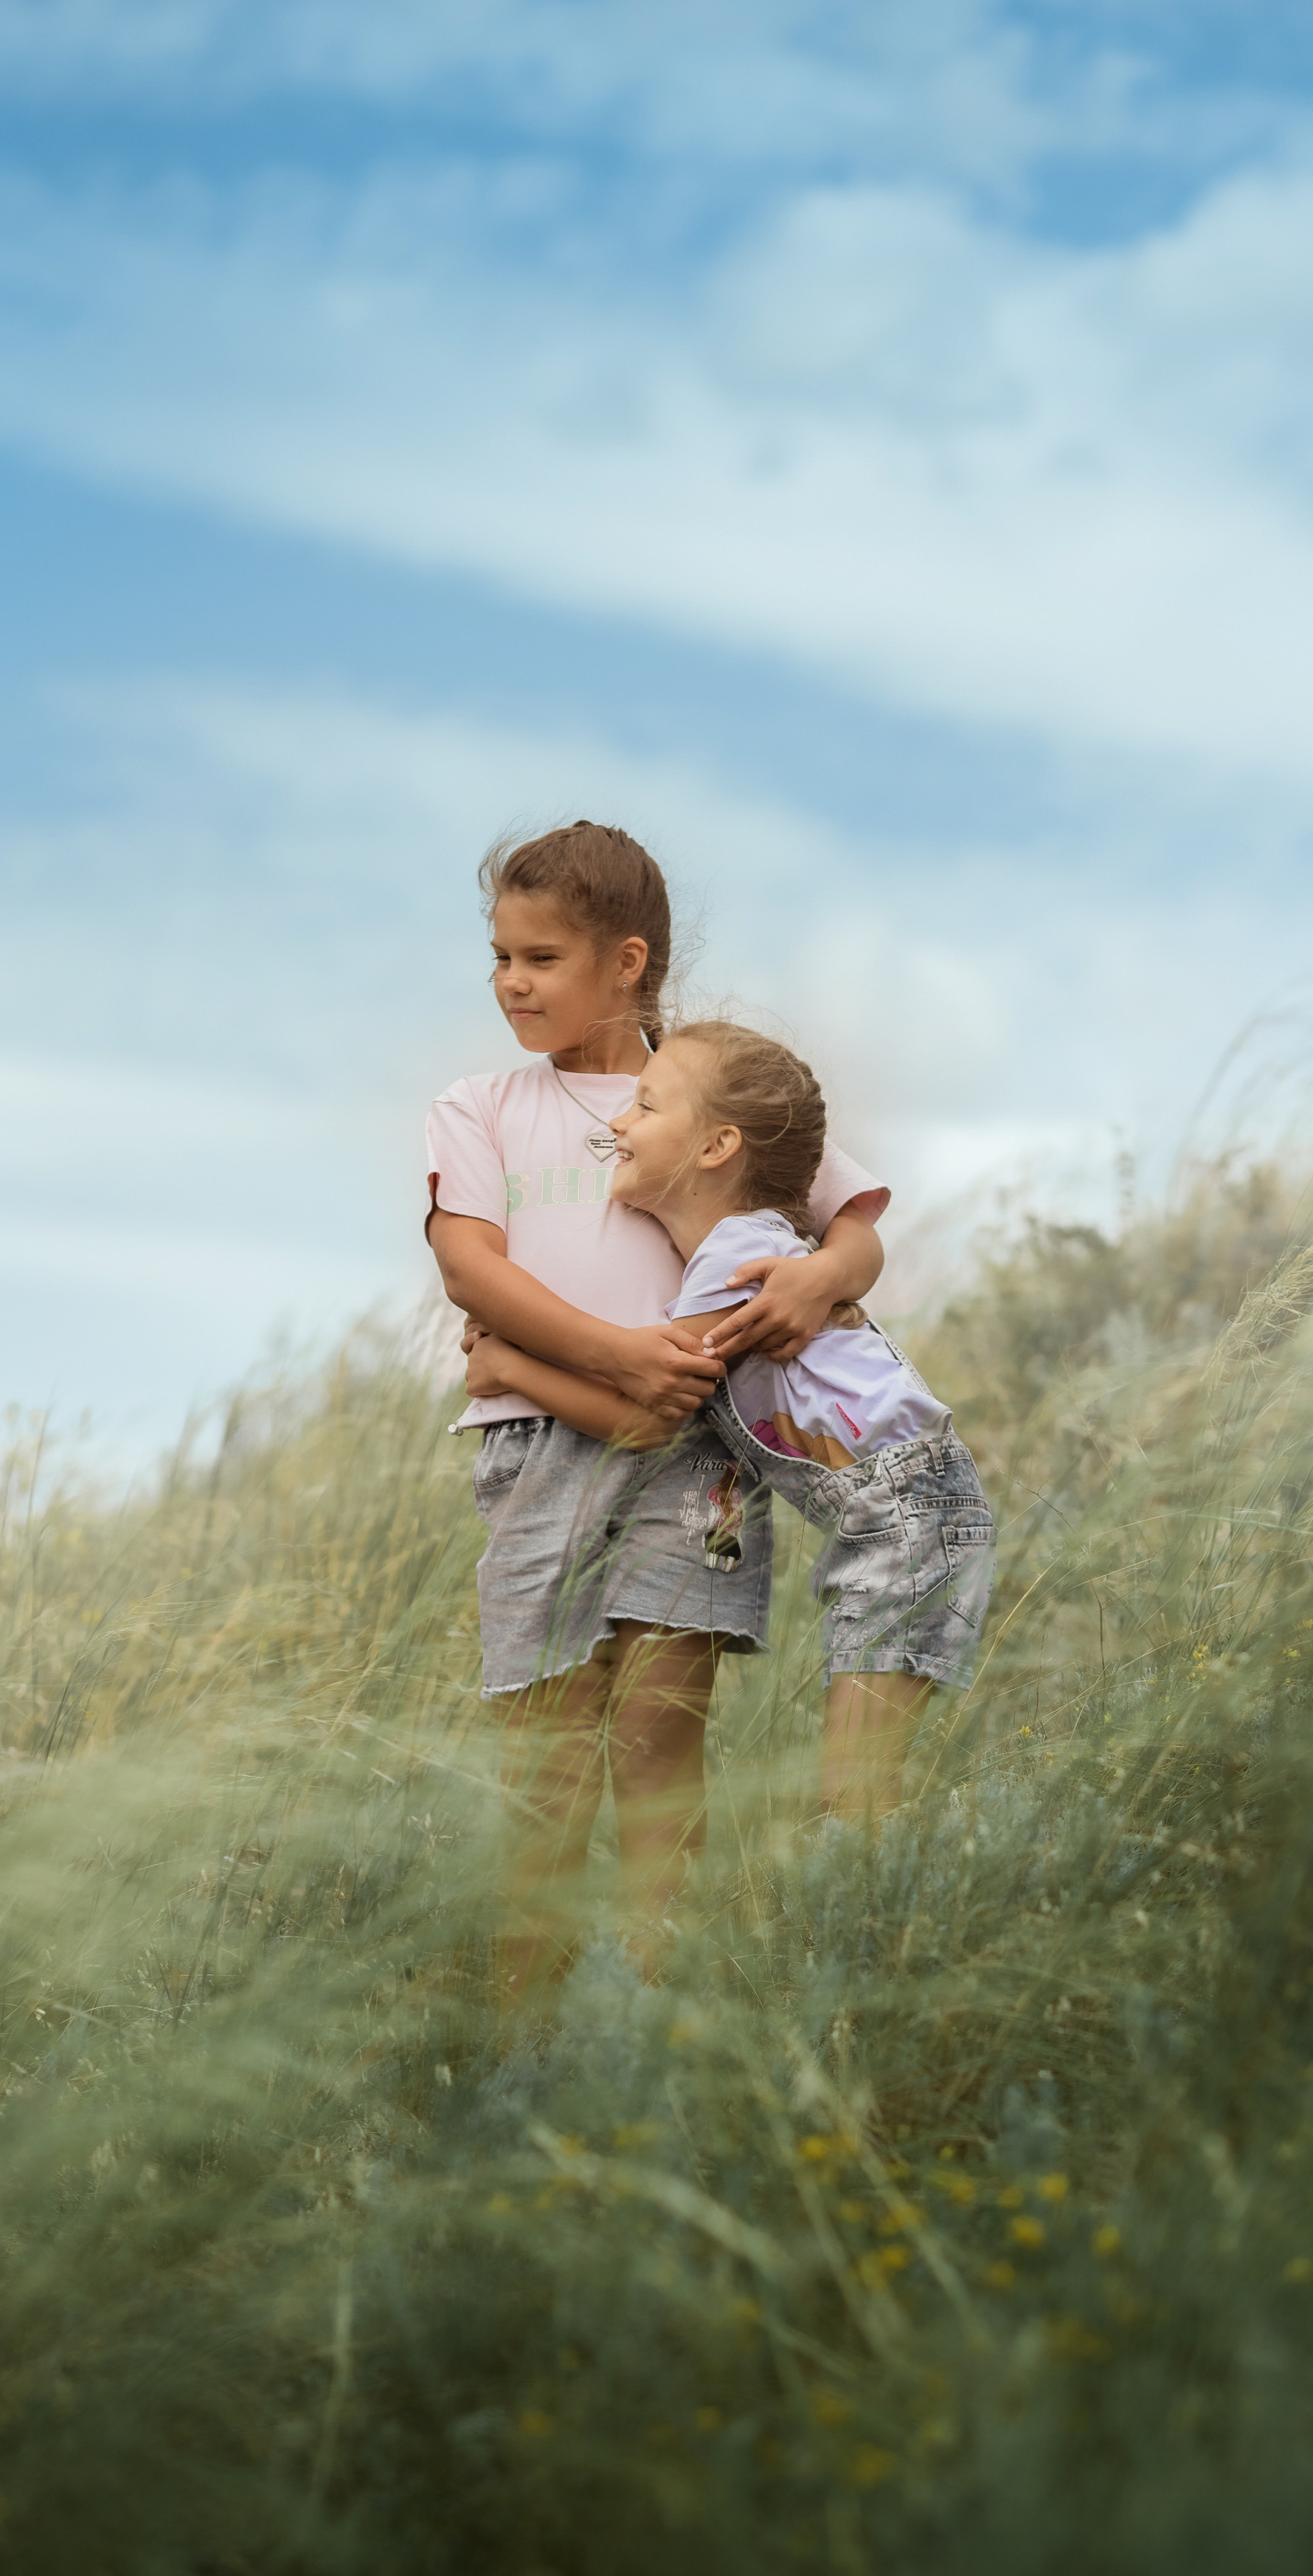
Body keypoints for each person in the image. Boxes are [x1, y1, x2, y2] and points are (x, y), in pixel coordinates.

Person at [426, 824, 888, 2006]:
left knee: (661, 1740)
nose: (509, 983)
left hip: (703, 1461)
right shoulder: (482, 1107)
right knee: (546, 1756)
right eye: (499, 957)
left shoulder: (708, 1084)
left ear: (627, 961)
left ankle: (648, 2029)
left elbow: (855, 1228)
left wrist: (816, 1279)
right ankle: (524, 2042)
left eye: (540, 958)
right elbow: (474, 1273)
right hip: (543, 1450)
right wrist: (624, 1356)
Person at [463, 1021, 995, 1826]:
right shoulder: (752, 1251)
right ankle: (875, 1920)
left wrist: (509, 1366)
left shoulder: (733, 1267)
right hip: (914, 1512)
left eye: (643, 1106)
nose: (617, 1124)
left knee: (855, 1797)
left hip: (908, 1519)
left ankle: (868, 1931)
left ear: (714, 1148)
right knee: (861, 1790)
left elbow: (643, 1420)